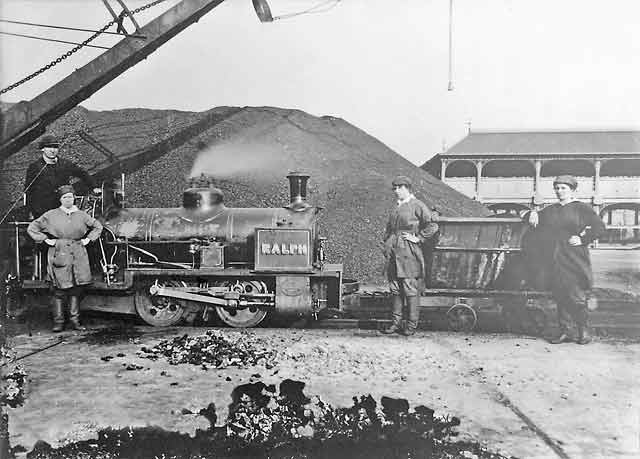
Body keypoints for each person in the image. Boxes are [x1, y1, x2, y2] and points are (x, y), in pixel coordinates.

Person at [524, 175, 606, 344]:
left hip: (574, 256)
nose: (559, 191)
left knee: (576, 294)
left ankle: (584, 331)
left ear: (572, 190)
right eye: (557, 188)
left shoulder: (581, 208)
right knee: (560, 293)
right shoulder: (551, 209)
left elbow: (600, 227)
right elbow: (530, 218)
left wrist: (583, 239)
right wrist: (531, 213)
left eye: (564, 188)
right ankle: (565, 331)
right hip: (554, 257)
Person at [27, 185, 103, 332]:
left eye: (70, 196)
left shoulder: (81, 215)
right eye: (65, 197)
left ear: (74, 198)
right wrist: (46, 240)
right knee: (59, 290)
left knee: (76, 289)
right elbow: (32, 228)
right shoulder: (51, 215)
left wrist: (88, 240)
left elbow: (97, 226)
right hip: (59, 251)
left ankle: (75, 321)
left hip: (78, 251)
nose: (68, 199)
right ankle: (59, 322)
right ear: (60, 199)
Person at [381, 176, 439, 336]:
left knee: (409, 288)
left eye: (398, 188)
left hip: (409, 252)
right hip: (394, 251)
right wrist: (387, 242)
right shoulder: (396, 207)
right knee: (395, 288)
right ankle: (395, 323)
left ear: (406, 188)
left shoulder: (417, 205)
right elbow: (389, 228)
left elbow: (432, 225)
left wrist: (418, 238)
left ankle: (411, 326)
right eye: (394, 189)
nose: (395, 192)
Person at [24, 134, 100, 218]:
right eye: (49, 147)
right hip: (43, 210)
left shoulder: (65, 164)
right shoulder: (35, 167)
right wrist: (29, 211)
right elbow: (29, 190)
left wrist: (94, 186)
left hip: (62, 208)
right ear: (43, 149)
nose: (52, 150)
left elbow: (82, 173)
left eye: (55, 147)